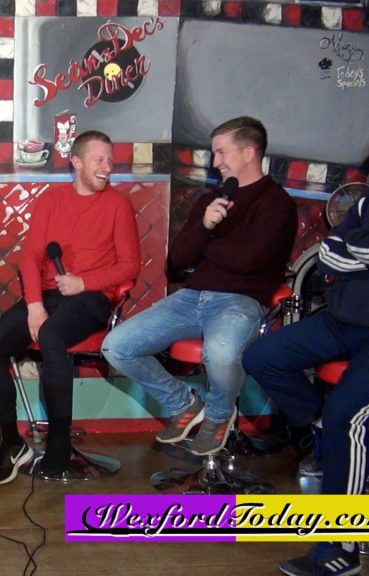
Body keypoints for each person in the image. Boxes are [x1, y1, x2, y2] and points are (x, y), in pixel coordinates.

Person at [244, 105, 369, 576]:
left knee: (347, 416)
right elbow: (331, 254)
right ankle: (321, 426)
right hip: (345, 320)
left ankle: (340, 550)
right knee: (262, 355)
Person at [102, 116, 296, 457]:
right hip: (192, 298)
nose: (215, 161)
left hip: (241, 301)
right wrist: (204, 226)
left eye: (222, 152)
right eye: (214, 153)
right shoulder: (211, 201)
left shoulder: (277, 203)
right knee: (116, 346)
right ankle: (184, 404)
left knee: (219, 352)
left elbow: (248, 261)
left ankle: (219, 415)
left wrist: (207, 243)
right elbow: (177, 260)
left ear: (249, 153)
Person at [0, 130, 140, 484]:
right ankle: (12, 443)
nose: (107, 167)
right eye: (99, 160)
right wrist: (34, 305)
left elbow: (130, 266)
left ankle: (58, 446)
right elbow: (30, 257)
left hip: (92, 298)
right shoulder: (52, 200)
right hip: (48, 296)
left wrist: (84, 282)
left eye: (110, 160)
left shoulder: (118, 205)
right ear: (76, 162)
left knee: (52, 336)